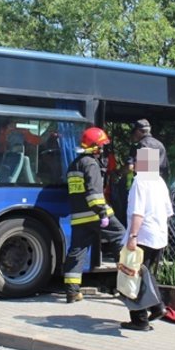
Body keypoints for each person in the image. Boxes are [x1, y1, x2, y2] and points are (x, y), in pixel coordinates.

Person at [64, 126, 126, 303]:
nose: (103, 149)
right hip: (95, 215)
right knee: (120, 235)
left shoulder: (74, 164)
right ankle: (126, 284)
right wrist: (102, 213)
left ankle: (72, 292)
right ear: (95, 146)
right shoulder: (91, 164)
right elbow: (94, 193)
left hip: (79, 216)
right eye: (101, 145)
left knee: (77, 251)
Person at [119, 147, 174, 331]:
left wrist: (133, 236)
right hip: (159, 235)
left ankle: (141, 319)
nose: (133, 164)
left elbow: (138, 213)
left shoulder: (140, 182)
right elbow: (168, 211)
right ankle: (156, 308)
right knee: (146, 275)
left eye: (136, 161)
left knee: (133, 275)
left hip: (142, 235)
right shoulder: (160, 182)